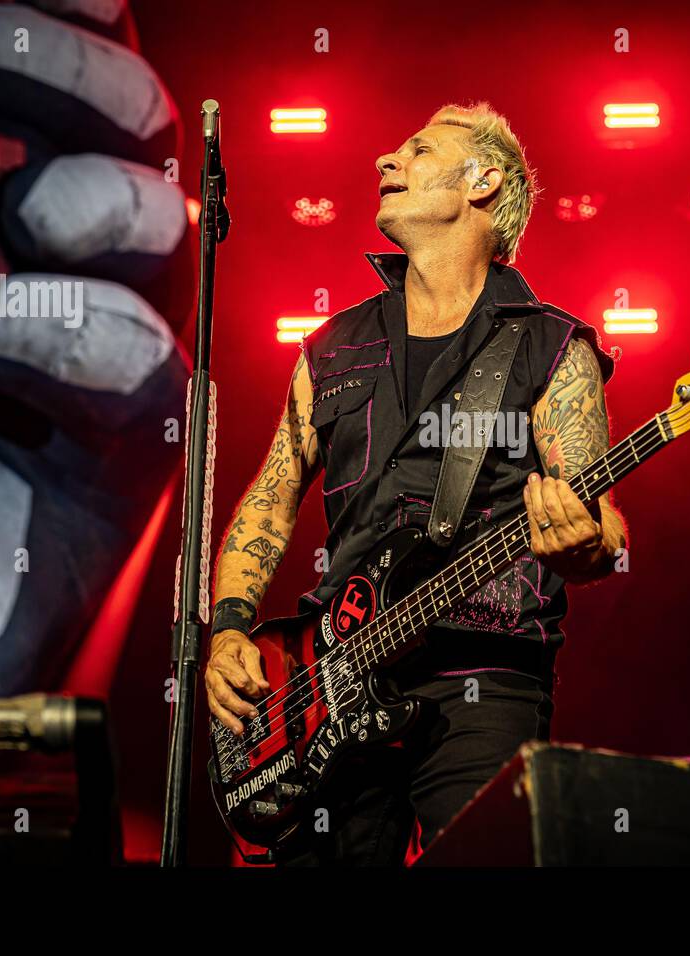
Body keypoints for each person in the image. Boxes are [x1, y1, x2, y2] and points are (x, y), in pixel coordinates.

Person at [206, 102, 625, 864]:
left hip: (482, 674)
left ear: (482, 182)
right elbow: (269, 499)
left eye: (419, 149)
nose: (385, 161)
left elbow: (599, 524)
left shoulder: (550, 346)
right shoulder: (333, 347)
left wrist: (583, 546)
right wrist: (230, 627)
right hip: (329, 682)